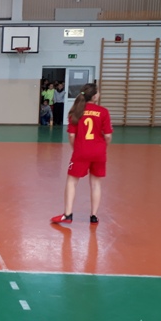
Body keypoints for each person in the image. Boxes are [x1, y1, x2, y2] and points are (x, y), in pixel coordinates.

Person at [51, 83, 113, 225]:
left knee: (72, 182)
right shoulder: (103, 112)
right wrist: (103, 147)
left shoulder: (76, 111)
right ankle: (94, 216)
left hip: (81, 151)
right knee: (96, 184)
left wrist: (76, 148)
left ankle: (68, 214)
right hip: (99, 152)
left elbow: (71, 135)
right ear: (95, 96)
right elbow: (108, 135)